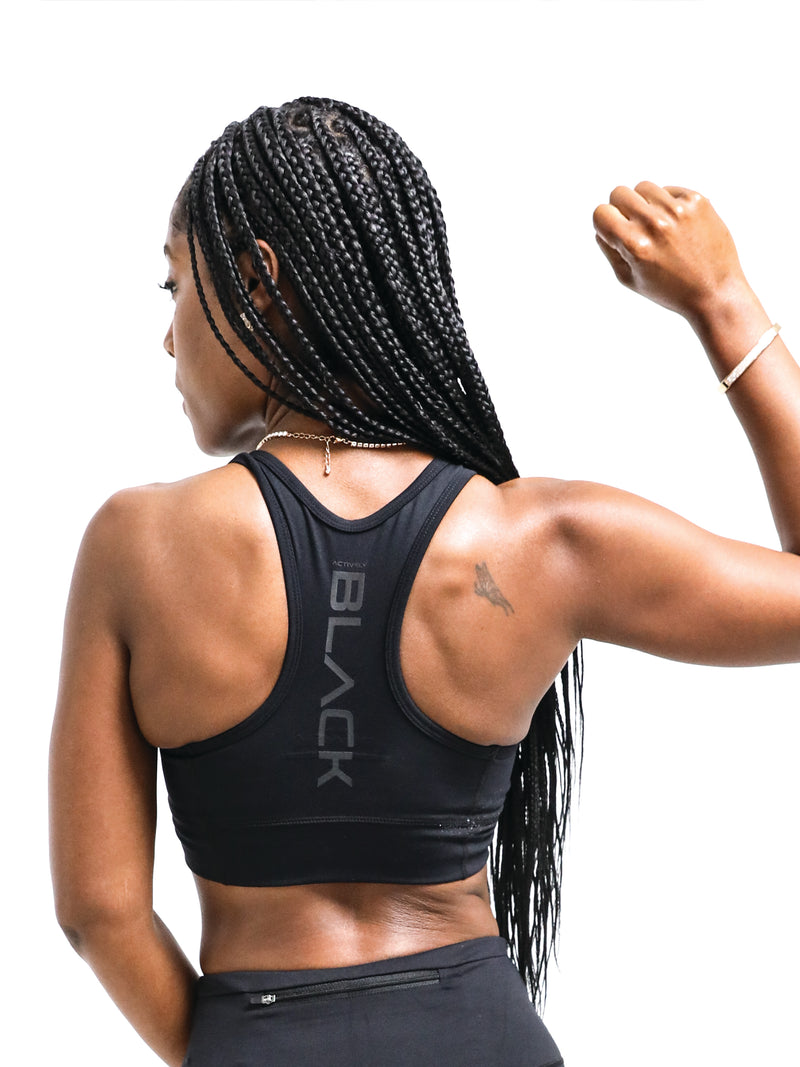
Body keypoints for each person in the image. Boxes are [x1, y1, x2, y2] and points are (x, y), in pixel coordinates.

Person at [49, 97, 800, 1067]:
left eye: (174, 283)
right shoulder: (543, 541)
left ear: (258, 282)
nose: (168, 337)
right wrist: (721, 300)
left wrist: (251, 1043)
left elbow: (99, 909)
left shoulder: (137, 544)